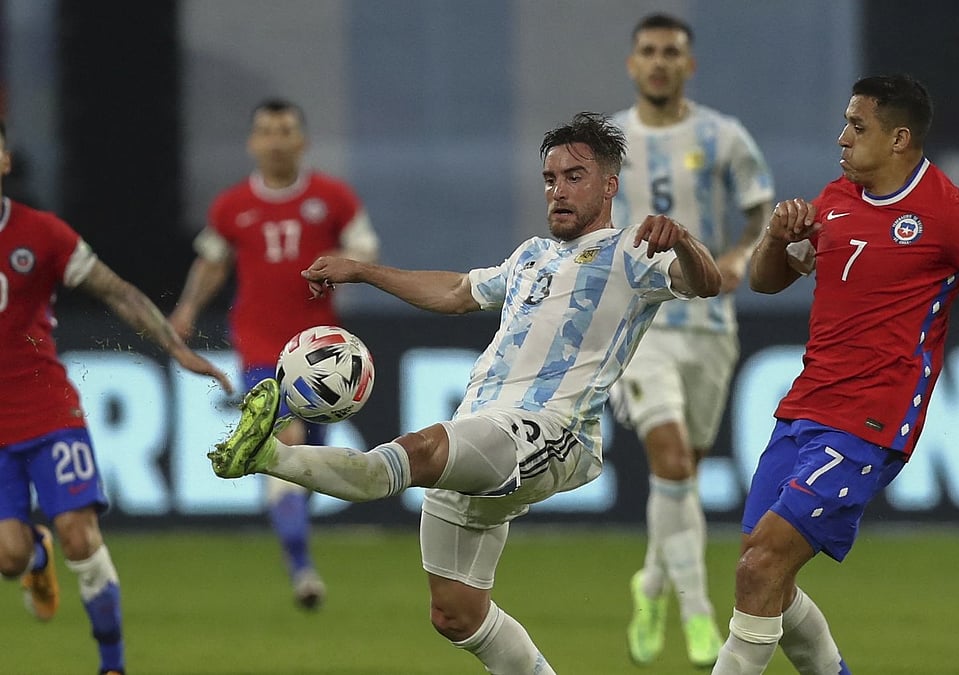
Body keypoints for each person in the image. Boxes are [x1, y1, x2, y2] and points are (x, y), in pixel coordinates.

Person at [207, 112, 721, 673]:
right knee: (457, 614)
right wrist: (362, 270)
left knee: (415, 454)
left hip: (549, 430)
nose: (558, 191)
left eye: (574, 177)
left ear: (609, 185)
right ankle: (269, 456)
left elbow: (705, 283)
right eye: (550, 179)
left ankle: (269, 455)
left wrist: (686, 242)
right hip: (483, 426)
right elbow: (456, 290)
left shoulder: (631, 252)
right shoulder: (530, 256)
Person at [710, 75, 959, 675]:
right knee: (765, 575)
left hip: (869, 422)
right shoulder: (835, 199)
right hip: (804, 407)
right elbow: (770, 280)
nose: (842, 137)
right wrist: (776, 236)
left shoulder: (950, 215)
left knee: (760, 566)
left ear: (899, 138)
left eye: (856, 126)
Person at [0, 120, 233, 675]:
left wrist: (176, 348)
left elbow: (117, 291)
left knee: (80, 533)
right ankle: (33, 554)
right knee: (7, 557)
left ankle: (113, 666)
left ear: (5, 163)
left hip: (47, 409)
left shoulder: (44, 234)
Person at [607, 13, 775, 668]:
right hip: (641, 325)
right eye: (647, 50)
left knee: (682, 480)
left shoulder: (722, 135)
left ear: (688, 65)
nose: (658, 62)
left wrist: (737, 257)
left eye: (671, 52)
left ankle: (649, 583)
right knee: (672, 461)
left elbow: (761, 214)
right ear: (631, 63)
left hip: (709, 326)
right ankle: (701, 614)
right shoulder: (611, 140)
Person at [169, 98, 380, 610]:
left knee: (302, 462)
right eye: (266, 131)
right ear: (253, 142)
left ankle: (296, 546)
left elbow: (366, 250)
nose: (276, 139)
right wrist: (187, 308)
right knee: (287, 439)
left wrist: (344, 265)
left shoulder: (332, 198)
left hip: (322, 351)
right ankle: (303, 571)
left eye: (285, 130)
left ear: (301, 141)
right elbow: (213, 263)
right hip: (261, 349)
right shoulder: (232, 205)